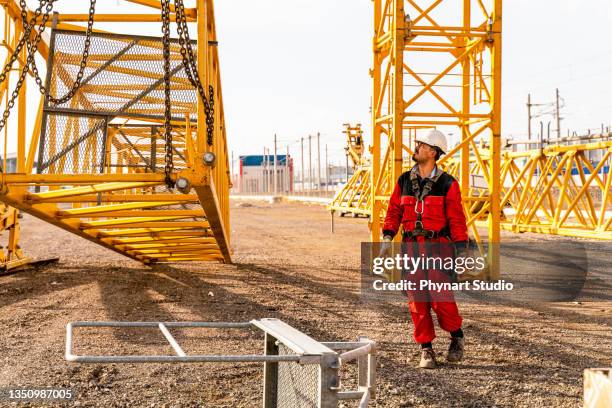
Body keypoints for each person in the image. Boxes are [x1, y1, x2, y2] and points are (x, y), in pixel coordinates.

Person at [379, 129, 468, 369]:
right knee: (417, 301)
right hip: (411, 248)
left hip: (439, 248)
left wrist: (462, 251)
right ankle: (426, 349)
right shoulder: (404, 181)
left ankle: (456, 337)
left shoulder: (448, 184)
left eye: (420, 145)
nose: (415, 148)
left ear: (432, 151)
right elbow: (394, 210)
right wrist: (387, 236)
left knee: (441, 299)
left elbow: (457, 219)